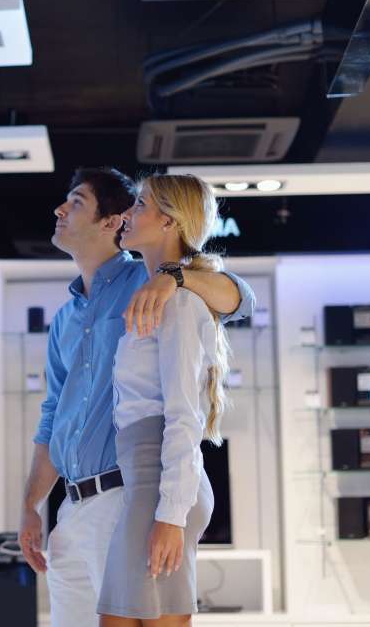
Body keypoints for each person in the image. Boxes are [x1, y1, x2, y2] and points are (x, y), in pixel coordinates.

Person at [17, 168, 254, 627]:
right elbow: (53, 417)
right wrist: (31, 505)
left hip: (125, 493)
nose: (58, 210)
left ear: (110, 222)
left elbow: (242, 299)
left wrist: (176, 278)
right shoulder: (64, 320)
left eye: (76, 202)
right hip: (71, 508)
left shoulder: (148, 280)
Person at [97, 174, 229, 625]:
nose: (129, 213)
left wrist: (171, 516)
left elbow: (183, 416)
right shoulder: (159, 293)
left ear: (169, 221)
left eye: (140, 204)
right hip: (148, 482)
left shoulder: (180, 303)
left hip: (162, 486)